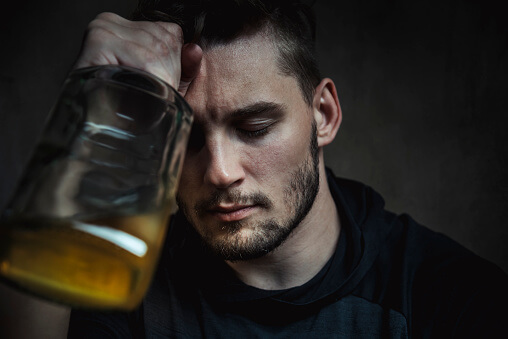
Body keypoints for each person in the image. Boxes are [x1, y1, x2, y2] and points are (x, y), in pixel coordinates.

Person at [67, 0, 508, 337]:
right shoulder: (123, 281)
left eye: (254, 127)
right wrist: (88, 126)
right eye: (185, 137)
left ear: (324, 115)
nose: (220, 172)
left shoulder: (451, 296)